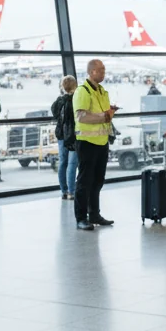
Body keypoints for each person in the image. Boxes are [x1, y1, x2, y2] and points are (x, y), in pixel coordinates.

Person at [72, 59, 118, 231]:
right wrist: (104, 116)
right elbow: (81, 116)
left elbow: (101, 113)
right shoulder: (82, 91)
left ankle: (94, 214)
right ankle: (81, 218)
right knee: (84, 182)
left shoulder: (102, 91)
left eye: (104, 69)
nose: (103, 73)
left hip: (102, 141)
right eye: (101, 70)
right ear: (92, 72)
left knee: (98, 181)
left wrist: (110, 111)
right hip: (87, 142)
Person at [51, 76, 77, 200]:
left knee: (63, 162)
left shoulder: (59, 100)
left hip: (61, 134)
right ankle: (72, 191)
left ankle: (64, 191)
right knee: (72, 163)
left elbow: (55, 114)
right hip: (73, 135)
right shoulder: (76, 100)